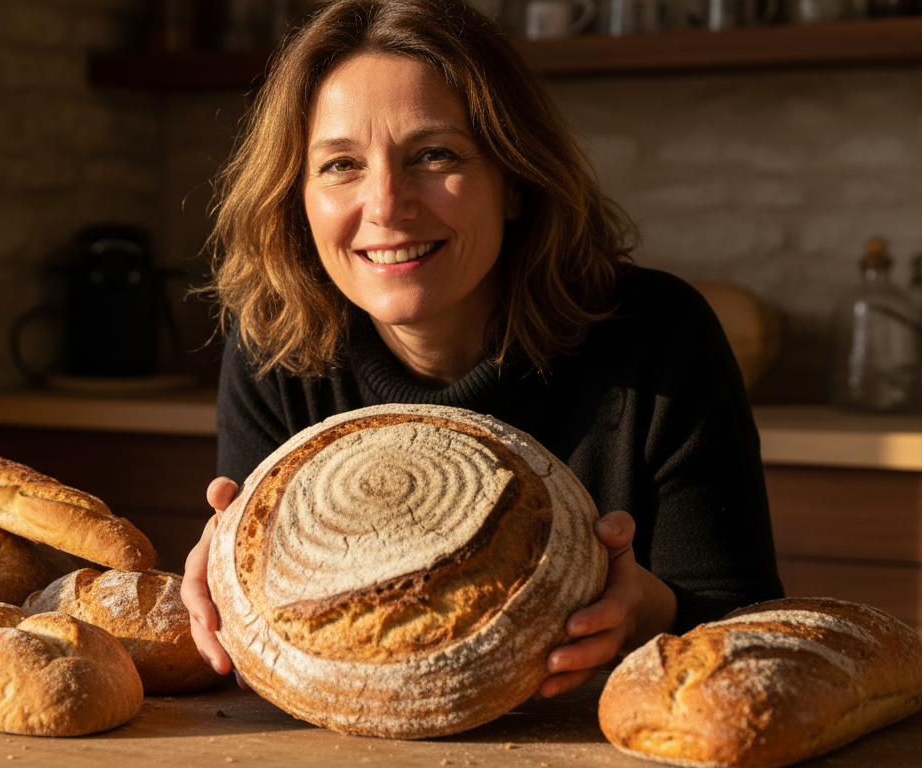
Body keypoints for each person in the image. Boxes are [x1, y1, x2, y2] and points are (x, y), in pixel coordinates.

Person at [181, 0, 783, 700]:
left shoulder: (656, 335)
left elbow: (748, 627)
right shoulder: (276, 341)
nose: (385, 204)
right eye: (341, 164)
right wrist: (230, 587)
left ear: (516, 181)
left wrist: (646, 611)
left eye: (434, 155)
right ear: (298, 197)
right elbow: (281, 642)